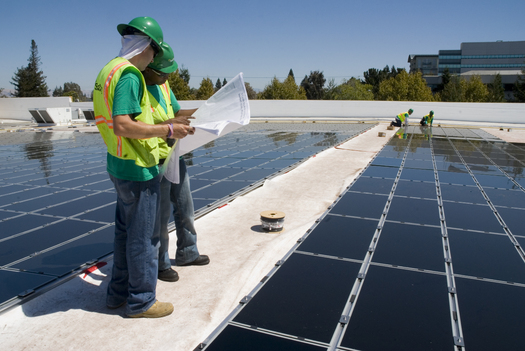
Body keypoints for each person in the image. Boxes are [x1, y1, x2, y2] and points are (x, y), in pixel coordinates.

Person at [93, 16, 194, 318]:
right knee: (144, 238)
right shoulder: (130, 74)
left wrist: (169, 124)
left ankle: (117, 294)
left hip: (118, 163)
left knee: (124, 235)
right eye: (155, 53)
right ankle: (141, 301)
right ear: (147, 47)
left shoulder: (109, 69)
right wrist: (168, 131)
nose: (155, 60)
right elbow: (124, 125)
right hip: (137, 167)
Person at [142, 43, 210, 283]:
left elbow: (179, 112)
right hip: (156, 159)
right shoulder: (138, 88)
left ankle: (188, 252)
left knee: (185, 207)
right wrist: (168, 125)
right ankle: (160, 264)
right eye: (163, 73)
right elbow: (139, 126)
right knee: (160, 217)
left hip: (175, 154)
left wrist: (207, 109)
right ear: (148, 68)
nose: (166, 78)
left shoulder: (163, 85)